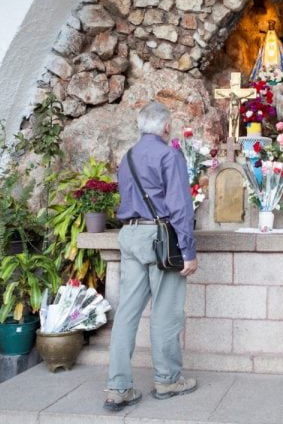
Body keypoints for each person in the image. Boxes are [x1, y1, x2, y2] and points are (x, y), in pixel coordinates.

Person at [104, 101, 198, 411]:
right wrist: (188, 251)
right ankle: (167, 380)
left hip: (129, 235)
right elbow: (180, 206)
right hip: (158, 238)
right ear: (166, 127)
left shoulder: (128, 156)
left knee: (127, 312)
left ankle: (118, 387)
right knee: (165, 312)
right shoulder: (169, 155)